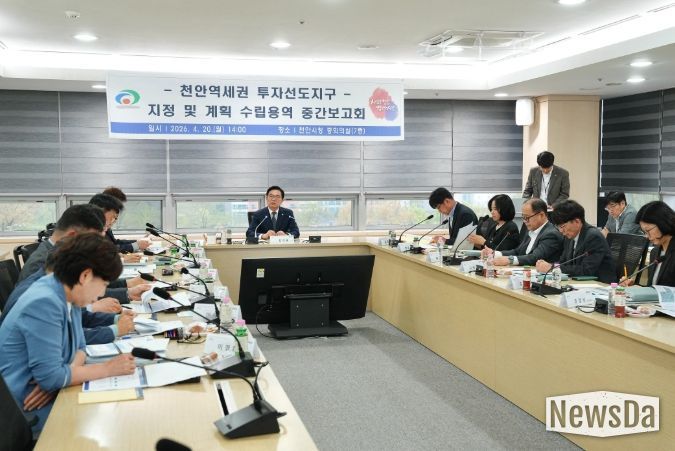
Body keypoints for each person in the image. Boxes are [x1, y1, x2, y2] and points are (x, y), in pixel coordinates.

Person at [0, 233, 136, 434]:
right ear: (85, 276)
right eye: (104, 285)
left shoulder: (67, 292)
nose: (101, 294)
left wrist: (65, 374)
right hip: (23, 412)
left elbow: (80, 347)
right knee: (117, 423)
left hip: (53, 395)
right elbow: (51, 378)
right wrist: (107, 369)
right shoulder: (44, 302)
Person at [535, 200, 617, 284]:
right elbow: (564, 262)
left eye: (562, 226)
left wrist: (552, 268)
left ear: (577, 221)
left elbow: (586, 270)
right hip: (579, 283)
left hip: (601, 285)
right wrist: (548, 265)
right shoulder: (569, 236)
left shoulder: (593, 236)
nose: (561, 231)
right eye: (558, 227)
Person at [486, 199, 563, 267]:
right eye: (523, 217)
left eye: (527, 217)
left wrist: (510, 260)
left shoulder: (551, 234)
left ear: (541, 215)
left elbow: (534, 257)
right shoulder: (530, 230)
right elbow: (518, 251)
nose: (525, 221)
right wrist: (494, 253)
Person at [622, 201, 675, 287]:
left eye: (648, 230)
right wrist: (634, 287)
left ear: (662, 223)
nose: (646, 236)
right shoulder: (655, 252)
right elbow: (654, 288)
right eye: (644, 232)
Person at [102, 187, 153, 252]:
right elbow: (108, 249)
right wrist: (136, 245)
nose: (118, 210)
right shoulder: (97, 224)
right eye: (117, 206)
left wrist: (138, 242)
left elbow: (114, 242)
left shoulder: (106, 222)